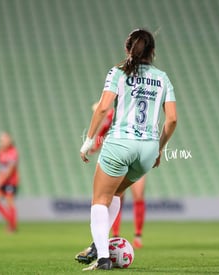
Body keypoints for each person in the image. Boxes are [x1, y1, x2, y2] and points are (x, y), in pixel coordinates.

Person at [77, 29, 177, 270]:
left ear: (127, 49)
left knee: (100, 200)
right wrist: (159, 150)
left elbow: (102, 109)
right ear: (153, 52)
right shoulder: (162, 78)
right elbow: (172, 120)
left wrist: (88, 141)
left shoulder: (118, 72)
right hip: (147, 150)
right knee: (117, 193)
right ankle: (97, 243)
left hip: (120, 143)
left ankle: (102, 257)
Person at [89, 102, 146, 249]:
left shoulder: (139, 112)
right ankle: (115, 234)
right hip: (120, 157)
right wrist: (94, 146)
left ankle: (138, 235)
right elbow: (103, 131)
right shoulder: (114, 114)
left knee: (138, 196)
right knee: (116, 195)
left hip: (136, 157)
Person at [0, 132, 19, 233]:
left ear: (10, 140)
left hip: (11, 181)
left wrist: (0, 181)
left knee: (9, 202)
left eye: (4, 139)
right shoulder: (1, 152)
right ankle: (11, 222)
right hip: (2, 180)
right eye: (1, 140)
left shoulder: (13, 152)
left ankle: (12, 227)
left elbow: (10, 169)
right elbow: (1, 168)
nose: (2, 142)